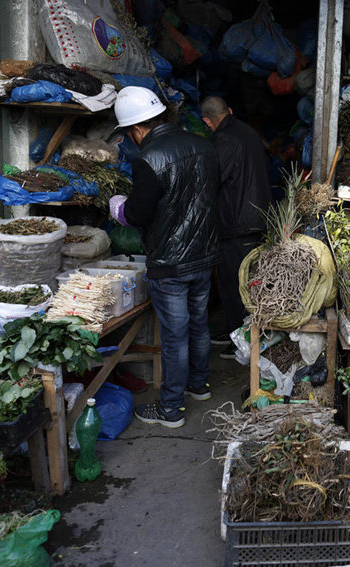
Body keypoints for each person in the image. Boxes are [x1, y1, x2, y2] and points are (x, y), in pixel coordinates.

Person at [108, 86, 220, 428]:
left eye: (129, 135)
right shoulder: (203, 144)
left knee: (174, 336)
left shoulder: (149, 157)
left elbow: (139, 213)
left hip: (170, 262)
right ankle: (198, 386)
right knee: (199, 325)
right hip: (203, 254)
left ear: (137, 129)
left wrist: (119, 209)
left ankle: (171, 409)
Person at [200, 96, 272, 360]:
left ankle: (240, 342)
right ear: (229, 110)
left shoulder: (223, 140)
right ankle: (234, 332)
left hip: (239, 221)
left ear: (208, 121)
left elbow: (212, 179)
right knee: (244, 281)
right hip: (255, 216)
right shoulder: (246, 131)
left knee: (236, 284)